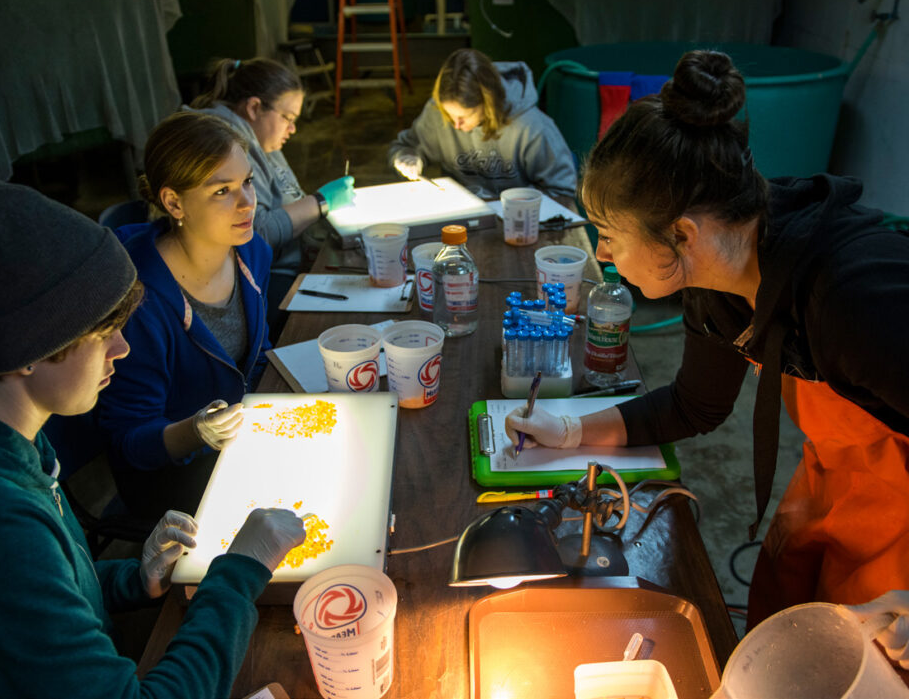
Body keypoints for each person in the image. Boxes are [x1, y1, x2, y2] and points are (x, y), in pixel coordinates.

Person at [504, 50, 909, 632]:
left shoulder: (852, 299)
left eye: (611, 234)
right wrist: (570, 430)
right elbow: (696, 405)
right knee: (788, 613)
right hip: (841, 478)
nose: (603, 254)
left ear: (681, 233)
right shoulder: (714, 281)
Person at [0, 176, 306, 697]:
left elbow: (46, 595)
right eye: (104, 333)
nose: (123, 349)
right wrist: (241, 570)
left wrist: (134, 578)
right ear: (26, 351)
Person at [93, 111, 278, 520]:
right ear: (174, 202)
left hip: (238, 445)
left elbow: (258, 353)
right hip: (168, 480)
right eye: (221, 191)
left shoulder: (252, 252)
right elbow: (129, 442)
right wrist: (195, 431)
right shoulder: (138, 301)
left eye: (247, 181)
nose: (248, 202)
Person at [190, 57, 355, 338]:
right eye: (288, 119)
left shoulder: (258, 138)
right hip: (257, 279)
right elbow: (254, 232)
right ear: (254, 107)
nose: (293, 130)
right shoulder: (223, 144)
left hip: (281, 263)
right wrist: (320, 202)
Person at [388, 47, 577, 205]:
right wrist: (408, 157)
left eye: (464, 116)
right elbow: (403, 147)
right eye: (449, 114)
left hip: (518, 221)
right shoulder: (436, 113)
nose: (456, 124)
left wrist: (510, 203)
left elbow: (563, 189)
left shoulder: (530, 126)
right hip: (460, 218)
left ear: (488, 104)